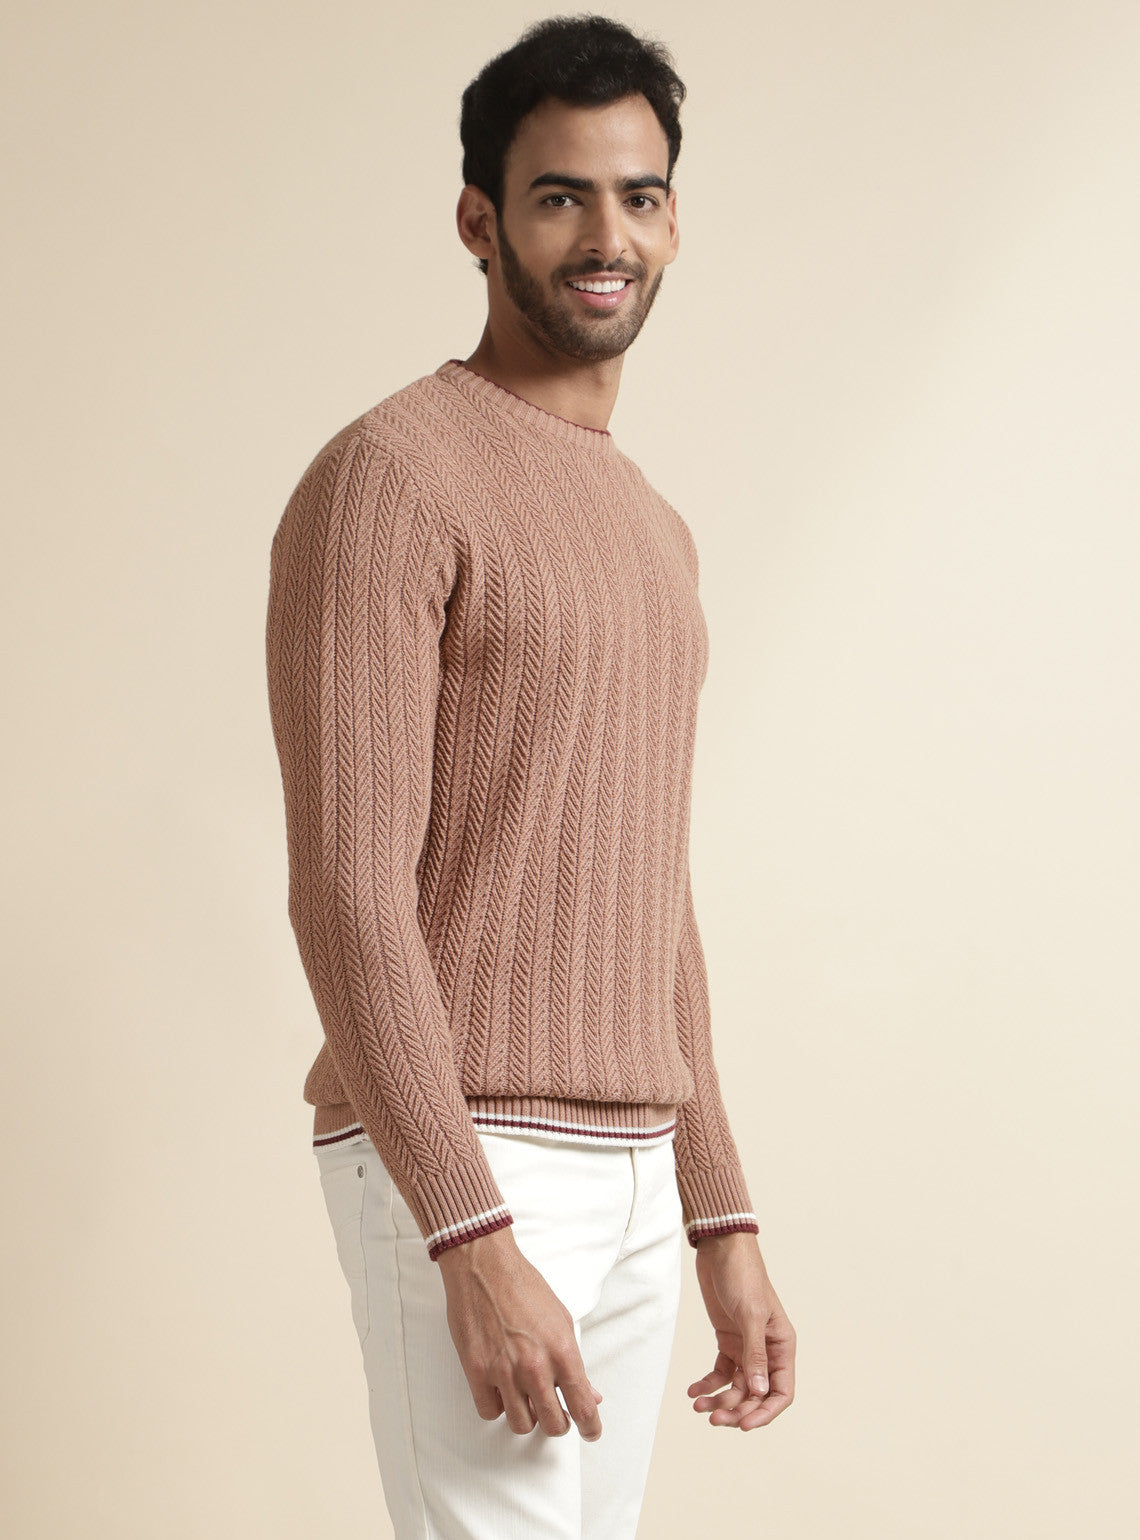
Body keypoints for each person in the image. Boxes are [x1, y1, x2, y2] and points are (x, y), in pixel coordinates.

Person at [264, 14, 795, 1539]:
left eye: (638, 196)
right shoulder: (391, 478)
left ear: (674, 223)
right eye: (560, 196)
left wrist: (719, 1213)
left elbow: (645, 891)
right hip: (472, 1151)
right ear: (478, 221)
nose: (605, 236)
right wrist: (466, 1227)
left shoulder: (653, 526)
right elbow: (347, 890)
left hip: (634, 1163)